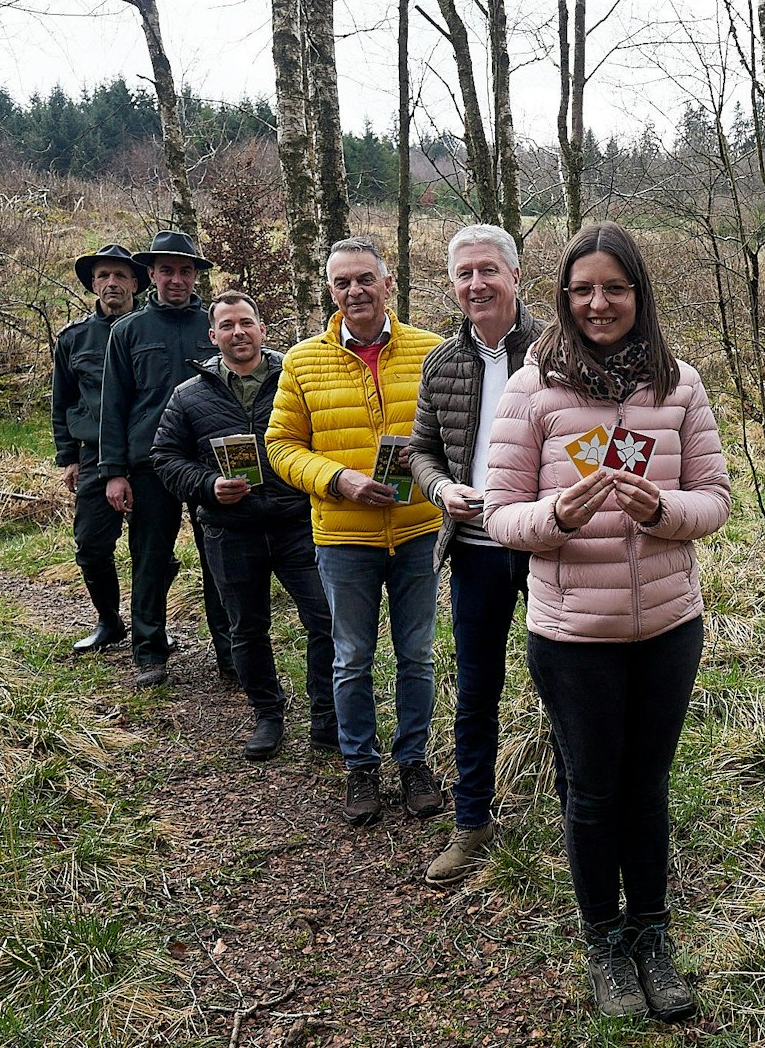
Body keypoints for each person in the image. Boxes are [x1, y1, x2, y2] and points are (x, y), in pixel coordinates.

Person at [483, 221, 730, 1021]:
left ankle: (652, 934)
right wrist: (555, 513)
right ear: (563, 296)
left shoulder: (679, 384)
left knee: (647, 786)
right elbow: (499, 515)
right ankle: (604, 943)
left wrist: (663, 509)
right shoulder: (531, 390)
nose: (599, 303)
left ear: (638, 296)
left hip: (666, 625)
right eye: (583, 289)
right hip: (571, 634)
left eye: (615, 289)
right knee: (592, 793)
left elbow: (715, 501)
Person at [267, 237, 449, 826]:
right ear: (330, 290)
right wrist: (336, 479)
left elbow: (454, 438)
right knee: (351, 657)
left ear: (387, 284)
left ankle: (414, 760)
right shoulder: (301, 362)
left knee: (417, 655)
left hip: (420, 528)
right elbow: (279, 446)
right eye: (343, 282)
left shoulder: (433, 352)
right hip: (343, 536)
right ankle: (360, 767)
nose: (355, 291)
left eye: (365, 279)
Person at [407, 223, 546, 884]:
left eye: (487, 270)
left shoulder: (559, 349)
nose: (475, 284)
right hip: (475, 550)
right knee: (476, 689)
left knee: (566, 685)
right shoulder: (441, 362)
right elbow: (421, 449)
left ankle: (583, 817)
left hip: (550, 548)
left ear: (515, 276)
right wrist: (440, 489)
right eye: (463, 274)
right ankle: (472, 822)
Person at [150, 291, 336, 761]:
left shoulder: (297, 378)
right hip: (230, 530)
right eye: (228, 325)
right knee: (246, 630)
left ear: (262, 329)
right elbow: (164, 457)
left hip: (299, 524)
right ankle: (268, 716)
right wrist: (208, 485)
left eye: (246, 323)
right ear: (213, 336)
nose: (239, 332)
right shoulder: (188, 395)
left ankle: (325, 717)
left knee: (326, 621)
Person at [97, 229, 238, 689]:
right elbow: (113, 406)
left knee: (221, 558)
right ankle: (149, 653)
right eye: (167, 271)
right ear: (152, 275)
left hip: (210, 466)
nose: (176, 279)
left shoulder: (216, 327)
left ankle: (232, 654)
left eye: (185, 271)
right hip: (149, 465)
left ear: (196, 276)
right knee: (150, 558)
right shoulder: (127, 331)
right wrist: (114, 472)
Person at [52, 243, 146, 653]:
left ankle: (150, 626)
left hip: (149, 453)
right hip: (93, 455)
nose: (112, 283)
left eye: (121, 276)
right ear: (93, 283)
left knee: (152, 548)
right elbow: (62, 400)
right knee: (91, 546)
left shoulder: (151, 328)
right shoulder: (74, 339)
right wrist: (68, 456)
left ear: (136, 283)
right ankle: (110, 621)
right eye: (104, 276)